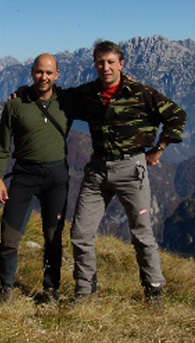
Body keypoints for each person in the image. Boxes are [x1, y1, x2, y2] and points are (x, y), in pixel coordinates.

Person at [62, 40, 187, 305]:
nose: (105, 68)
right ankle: (85, 292)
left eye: (110, 62)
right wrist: (25, 92)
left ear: (122, 64)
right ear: (95, 65)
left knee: (141, 233)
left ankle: (154, 291)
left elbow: (177, 115)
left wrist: (159, 148)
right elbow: (56, 97)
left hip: (131, 170)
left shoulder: (140, 93)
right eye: (100, 62)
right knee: (81, 234)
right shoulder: (88, 93)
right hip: (97, 171)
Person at [0, 53, 72, 302]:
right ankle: (5, 288)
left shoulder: (68, 101)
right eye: (39, 72)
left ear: (57, 75)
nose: (44, 77)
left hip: (56, 178)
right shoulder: (16, 104)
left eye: (49, 73)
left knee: (53, 238)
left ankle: (51, 290)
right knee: (9, 237)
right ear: (32, 72)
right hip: (24, 176)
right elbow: (2, 145)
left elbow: (101, 94)